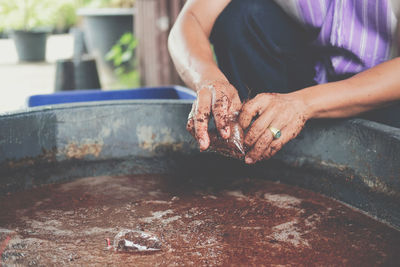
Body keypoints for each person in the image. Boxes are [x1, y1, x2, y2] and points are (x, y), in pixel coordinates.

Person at [168, 0, 400, 164]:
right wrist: (208, 79)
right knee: (241, 15)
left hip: (382, 98)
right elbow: (190, 20)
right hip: (301, 75)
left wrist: (303, 103)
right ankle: (260, 161)